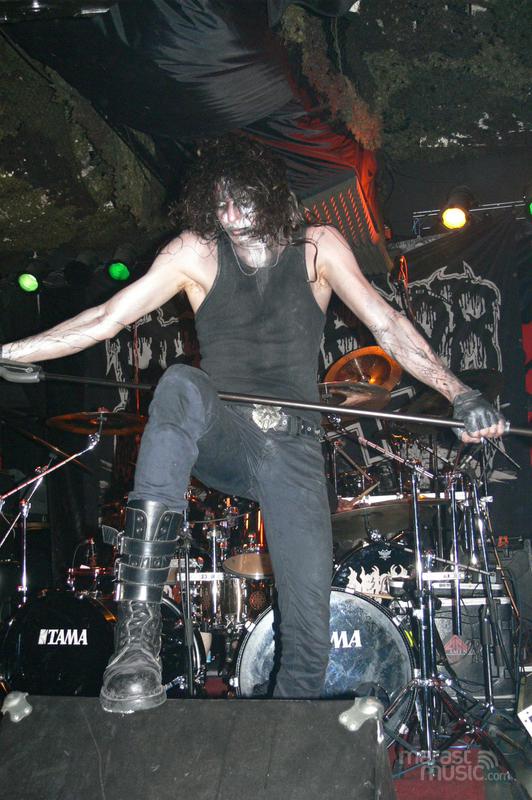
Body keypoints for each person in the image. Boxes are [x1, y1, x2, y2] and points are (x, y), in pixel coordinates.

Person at [0, 135, 506, 714]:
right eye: (218, 203)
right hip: (229, 437)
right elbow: (108, 317)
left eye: (240, 200)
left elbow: (386, 325)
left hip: (293, 452)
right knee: (181, 384)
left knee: (309, 644)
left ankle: (281, 745)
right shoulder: (195, 252)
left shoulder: (317, 247)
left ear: (267, 195)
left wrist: (459, 392)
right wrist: (12, 350)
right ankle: (137, 641)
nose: (230, 215)